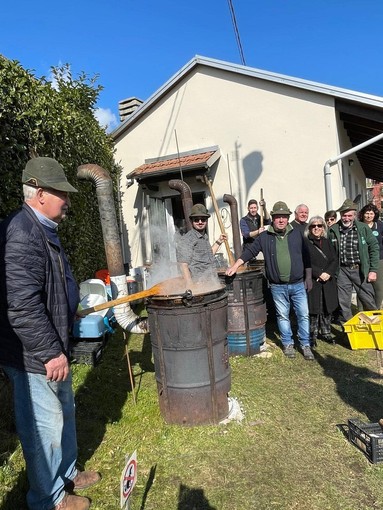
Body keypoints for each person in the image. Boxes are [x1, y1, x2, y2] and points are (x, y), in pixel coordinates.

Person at [0, 157, 101, 510]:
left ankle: (67, 473)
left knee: (65, 414)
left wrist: (68, 306)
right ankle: (49, 499)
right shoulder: (23, 233)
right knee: (43, 429)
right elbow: (22, 306)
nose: (68, 201)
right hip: (34, 354)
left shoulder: (43, 229)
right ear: (40, 193)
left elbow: (49, 287)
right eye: (62, 193)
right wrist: (49, 352)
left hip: (53, 343)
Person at [226, 201, 314, 360]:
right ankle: (288, 344)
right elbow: (250, 251)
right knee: (282, 316)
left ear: (288, 218)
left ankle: (305, 344)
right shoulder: (264, 237)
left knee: (303, 315)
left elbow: (307, 257)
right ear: (272, 219)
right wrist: (236, 265)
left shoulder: (297, 234)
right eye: (278, 217)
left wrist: (308, 278)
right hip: (277, 286)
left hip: (298, 284)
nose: (281, 220)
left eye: (284, 217)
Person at [328, 199, 379, 324]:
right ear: (340, 215)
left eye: (349, 215)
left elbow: (374, 248)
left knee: (368, 299)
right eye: (344, 215)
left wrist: (373, 270)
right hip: (342, 271)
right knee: (344, 302)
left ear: (354, 215)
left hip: (360, 269)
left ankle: (375, 327)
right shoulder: (333, 230)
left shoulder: (363, 228)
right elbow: (329, 252)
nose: (346, 218)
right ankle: (350, 331)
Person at [304, 216, 338, 345]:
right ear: (310, 228)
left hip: (327, 280)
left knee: (326, 307)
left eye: (319, 225)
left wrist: (328, 273)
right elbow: (304, 261)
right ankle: (312, 335)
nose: (316, 228)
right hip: (314, 280)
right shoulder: (305, 243)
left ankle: (326, 332)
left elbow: (334, 259)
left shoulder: (327, 242)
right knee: (314, 308)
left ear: (323, 228)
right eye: (313, 226)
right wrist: (318, 273)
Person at [177, 203, 226, 287]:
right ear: (192, 221)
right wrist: (190, 285)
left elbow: (209, 255)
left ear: (206, 221)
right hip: (199, 284)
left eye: (203, 219)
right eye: (196, 220)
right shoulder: (187, 239)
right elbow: (183, 265)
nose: (200, 222)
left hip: (211, 281)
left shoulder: (204, 236)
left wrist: (219, 241)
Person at [358, 203, 383, 309]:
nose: (369, 216)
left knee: (378, 287)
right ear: (363, 214)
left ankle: (376, 309)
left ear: (375, 214)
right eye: (367, 213)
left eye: (371, 213)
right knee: (362, 286)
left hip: (378, 260)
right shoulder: (358, 225)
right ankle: (362, 311)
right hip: (361, 260)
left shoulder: (380, 225)